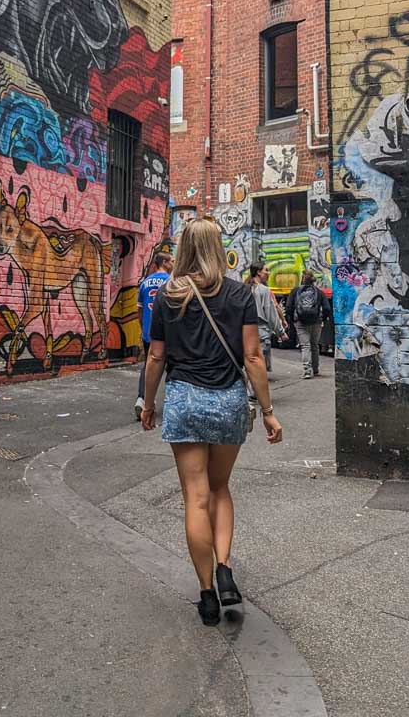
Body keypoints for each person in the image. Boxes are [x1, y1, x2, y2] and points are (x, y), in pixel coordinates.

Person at [140, 218, 283, 626]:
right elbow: (254, 358)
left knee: (195, 498)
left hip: (184, 401)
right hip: (227, 403)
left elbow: (155, 358)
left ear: (184, 248)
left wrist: (148, 404)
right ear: (219, 248)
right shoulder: (241, 294)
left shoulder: (168, 297)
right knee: (220, 489)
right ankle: (224, 567)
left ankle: (206, 594)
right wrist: (269, 412)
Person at [135, 250, 174, 420]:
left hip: (149, 332)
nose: (173, 264)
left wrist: (143, 327)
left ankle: (142, 398)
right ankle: (173, 401)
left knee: (148, 364)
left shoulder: (145, 282)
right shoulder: (171, 282)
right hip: (167, 332)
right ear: (164, 263)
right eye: (171, 261)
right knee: (172, 366)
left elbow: (140, 309)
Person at [285, 269, 332, 379]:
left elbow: (288, 307)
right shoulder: (319, 292)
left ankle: (307, 370)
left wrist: (293, 320)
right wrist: (322, 319)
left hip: (300, 322)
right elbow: (326, 308)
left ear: (302, 279)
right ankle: (315, 370)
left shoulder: (295, 291)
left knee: (305, 346)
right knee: (314, 345)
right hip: (316, 322)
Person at [250, 262, 287, 376]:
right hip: (261, 333)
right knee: (260, 368)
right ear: (258, 272)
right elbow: (271, 314)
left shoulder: (244, 289)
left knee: (250, 365)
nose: (268, 273)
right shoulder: (264, 290)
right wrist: (281, 332)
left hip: (246, 333)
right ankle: (255, 391)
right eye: (266, 270)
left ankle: (250, 390)